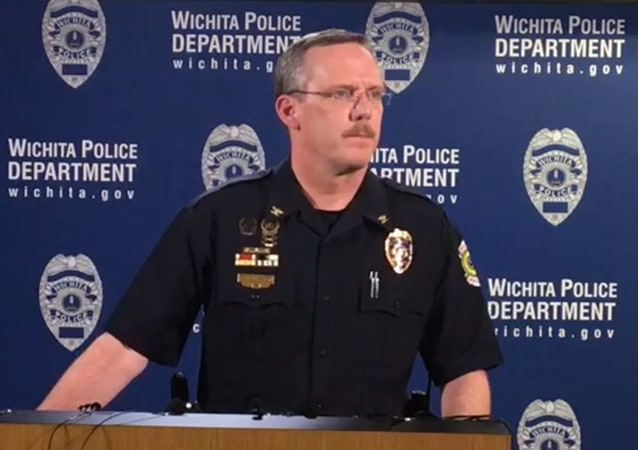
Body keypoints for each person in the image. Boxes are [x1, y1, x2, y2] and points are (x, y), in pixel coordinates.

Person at [37, 28, 503, 418]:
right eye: (341, 94)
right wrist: (34, 438)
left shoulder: (424, 228)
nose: (364, 111)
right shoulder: (218, 218)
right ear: (289, 111)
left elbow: (464, 371)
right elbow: (125, 348)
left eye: (375, 95)